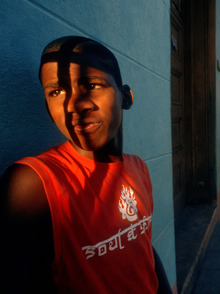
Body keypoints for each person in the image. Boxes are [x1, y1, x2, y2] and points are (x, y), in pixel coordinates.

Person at [0, 36, 171, 293]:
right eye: (56, 92)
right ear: (48, 109)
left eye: (91, 84)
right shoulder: (34, 184)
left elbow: (141, 244)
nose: (74, 105)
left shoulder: (138, 168)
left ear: (126, 97)